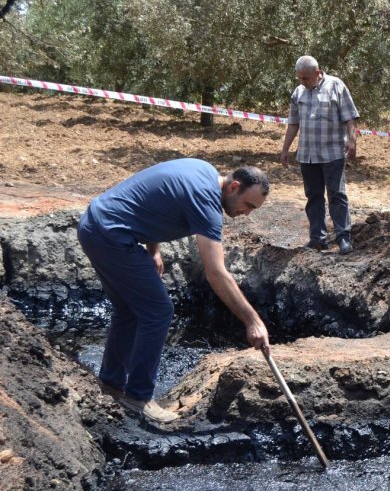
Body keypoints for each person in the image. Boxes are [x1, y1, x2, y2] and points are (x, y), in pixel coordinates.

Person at [76, 159, 272, 423]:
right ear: (234, 186)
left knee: (129, 310)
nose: (247, 213)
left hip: (94, 225)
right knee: (158, 311)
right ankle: (138, 397)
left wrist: (153, 249)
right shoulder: (207, 203)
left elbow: (154, 203)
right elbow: (215, 272)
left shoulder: (202, 169)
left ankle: (111, 384)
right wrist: (253, 321)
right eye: (248, 205)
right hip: (112, 235)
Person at [281, 55, 360, 255]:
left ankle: (343, 237)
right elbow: (293, 123)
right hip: (307, 154)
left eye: (305, 78)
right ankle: (317, 239)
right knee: (313, 196)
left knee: (337, 195)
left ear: (317, 72)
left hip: (333, 153)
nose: (302, 82)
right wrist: (285, 149)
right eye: (299, 78)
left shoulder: (336, 86)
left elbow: (350, 117)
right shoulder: (298, 92)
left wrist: (352, 140)